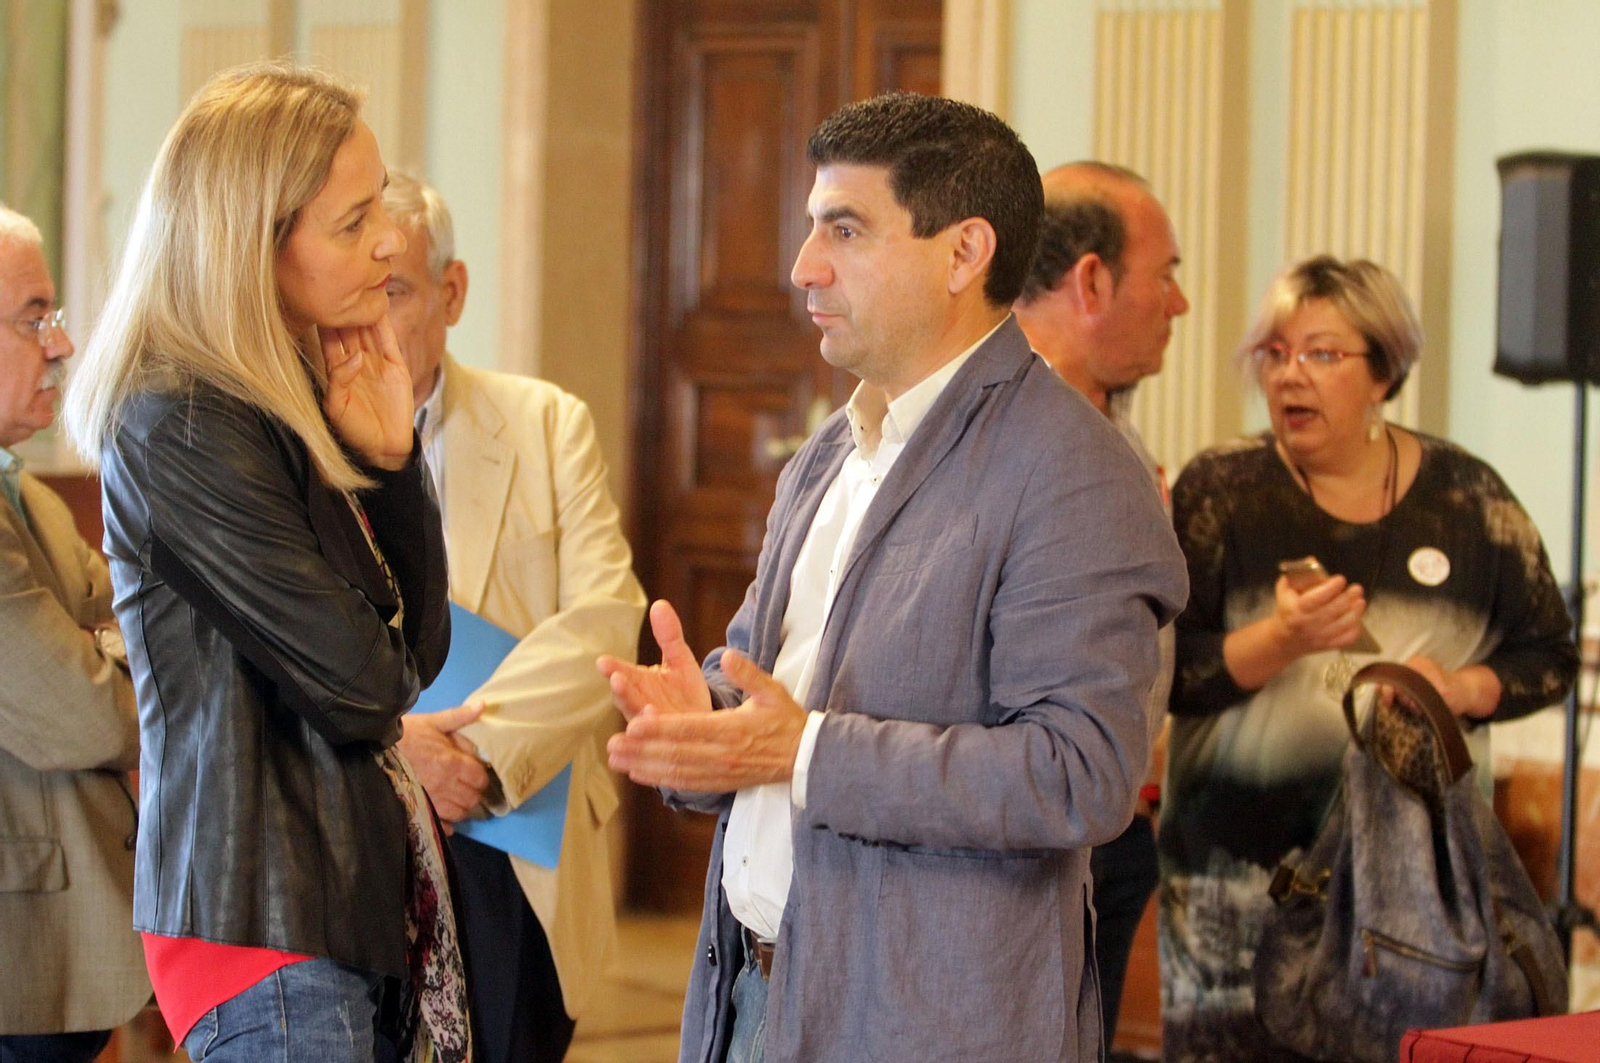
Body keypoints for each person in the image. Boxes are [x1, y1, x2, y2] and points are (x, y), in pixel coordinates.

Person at [599, 91, 1189, 1063]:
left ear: (963, 252)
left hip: (928, 1024)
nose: (802, 268)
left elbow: (1081, 775)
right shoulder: (829, 452)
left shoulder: (1073, 468)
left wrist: (801, 754)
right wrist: (699, 729)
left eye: (844, 229)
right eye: (808, 227)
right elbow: (772, 695)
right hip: (749, 993)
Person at [61, 63, 464, 1063]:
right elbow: (368, 691)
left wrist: (390, 467)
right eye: (351, 220)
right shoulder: (182, 420)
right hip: (260, 924)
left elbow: (417, 660)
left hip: (319, 911)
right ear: (252, 241)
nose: (385, 242)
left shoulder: (275, 394)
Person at [1157, 254, 1578, 1062]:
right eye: (1274, 354)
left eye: (1321, 354)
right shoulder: (1222, 490)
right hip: (1232, 891)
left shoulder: (1471, 499)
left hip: (1404, 900)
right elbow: (1162, 672)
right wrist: (1276, 639)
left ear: (1384, 370)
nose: (1290, 377)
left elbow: (1551, 654)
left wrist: (1462, 686)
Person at [380, 171, 646, 1063]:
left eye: (397, 291)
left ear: (450, 293)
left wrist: (467, 761)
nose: (372, 322)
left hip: (514, 824)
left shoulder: (544, 423)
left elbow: (608, 616)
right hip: (367, 826)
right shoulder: (297, 443)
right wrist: (402, 755)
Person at [1013, 160, 1188, 1049]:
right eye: (1166, 276)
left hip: (1115, 827)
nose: (1180, 304)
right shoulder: (1004, 430)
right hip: (1029, 846)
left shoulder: (1113, 423)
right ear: (1091, 280)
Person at [0, 206, 148, 1063]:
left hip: (62, 951)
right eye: (34, 317)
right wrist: (99, 656)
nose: (61, 343)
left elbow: (137, 620)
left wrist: (94, 649)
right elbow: (85, 715)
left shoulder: (34, 498)